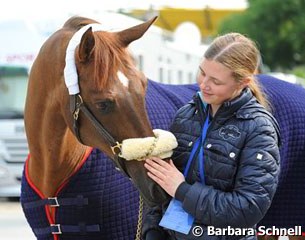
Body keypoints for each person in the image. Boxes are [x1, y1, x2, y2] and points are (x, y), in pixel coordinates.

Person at [142, 32, 281, 240]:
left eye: (215, 81)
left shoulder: (259, 128)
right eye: (202, 72)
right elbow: (164, 181)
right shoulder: (186, 114)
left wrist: (181, 190)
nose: (203, 84)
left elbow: (248, 208)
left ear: (242, 82)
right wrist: (152, 230)